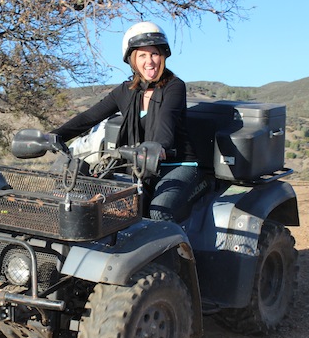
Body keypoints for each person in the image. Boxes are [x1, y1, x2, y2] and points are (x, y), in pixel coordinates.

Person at [51, 21, 200, 222]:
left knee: (159, 211)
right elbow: (89, 117)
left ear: (162, 56)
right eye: (142, 55)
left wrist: (158, 146)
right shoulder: (126, 91)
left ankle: (178, 253)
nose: (150, 61)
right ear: (132, 60)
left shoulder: (174, 87)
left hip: (177, 164)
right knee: (108, 205)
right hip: (139, 165)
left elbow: (166, 120)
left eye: (154, 54)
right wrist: (55, 136)